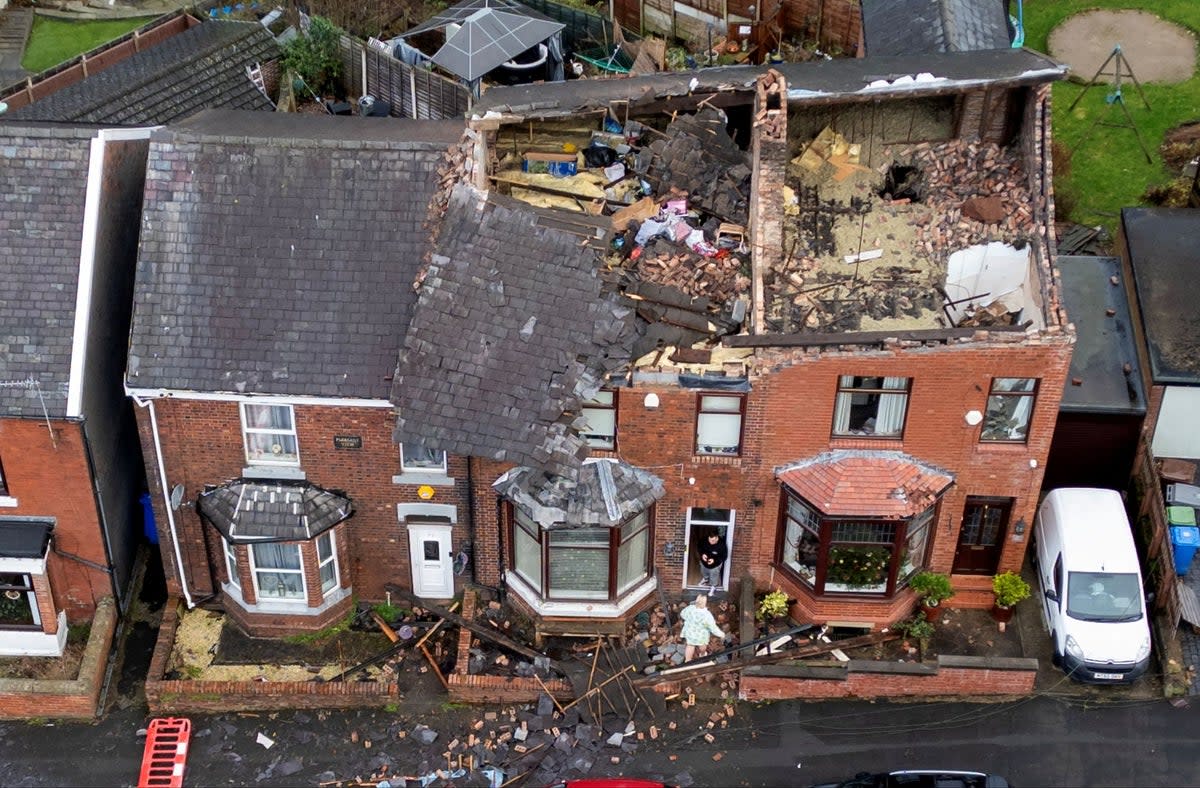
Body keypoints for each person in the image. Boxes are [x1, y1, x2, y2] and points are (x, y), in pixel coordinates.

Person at [679, 594, 726, 662]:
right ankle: (702, 654)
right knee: (702, 645)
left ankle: (687, 660)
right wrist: (721, 634)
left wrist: (689, 619)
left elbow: (682, 614)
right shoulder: (707, 614)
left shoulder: (690, 608)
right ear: (705, 603)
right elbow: (713, 627)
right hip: (701, 635)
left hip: (690, 632)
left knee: (690, 645)